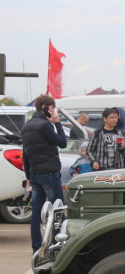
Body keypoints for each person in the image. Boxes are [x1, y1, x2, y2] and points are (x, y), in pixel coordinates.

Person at [20, 94, 67, 252]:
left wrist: (28, 176)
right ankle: (58, 244)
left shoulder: (26, 126)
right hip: (49, 172)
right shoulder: (45, 126)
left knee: (36, 212)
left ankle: (36, 246)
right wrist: (57, 123)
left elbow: (25, 154)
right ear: (44, 107)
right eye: (52, 108)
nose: (54, 111)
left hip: (35, 173)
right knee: (57, 209)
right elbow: (62, 142)